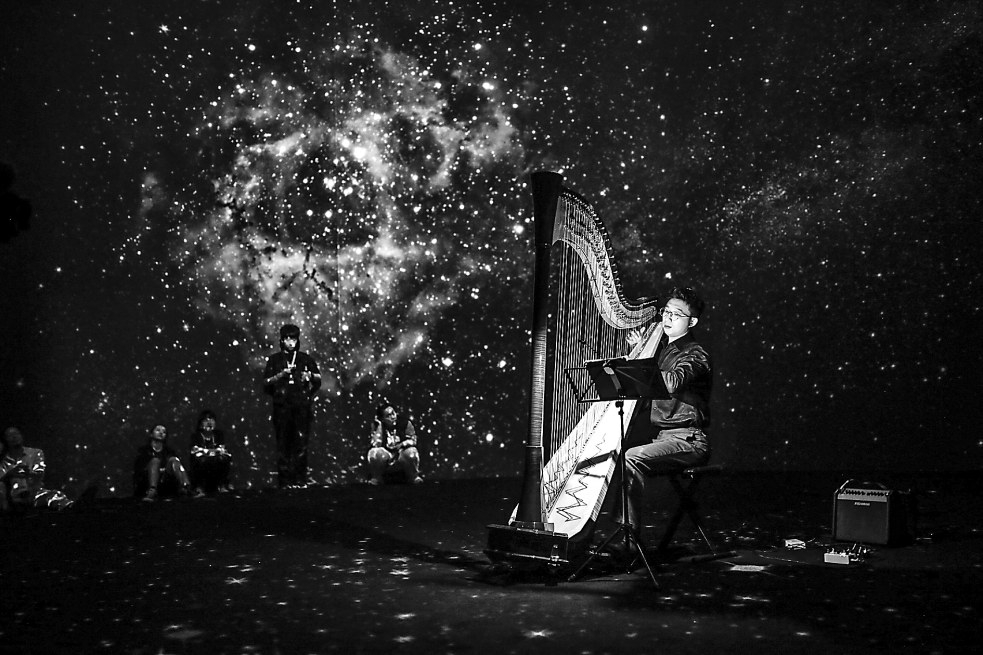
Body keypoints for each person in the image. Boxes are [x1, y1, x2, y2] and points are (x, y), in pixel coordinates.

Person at [607, 286, 712, 538]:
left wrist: (644, 362)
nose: (668, 318)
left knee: (632, 457)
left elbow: (673, 382)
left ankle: (627, 539)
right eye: (666, 312)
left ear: (692, 322)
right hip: (663, 438)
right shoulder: (662, 350)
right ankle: (614, 532)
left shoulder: (696, 354)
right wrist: (639, 353)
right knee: (614, 455)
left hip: (689, 440)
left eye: (676, 314)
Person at [262, 323, 321, 488]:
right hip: (282, 408)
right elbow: (266, 383)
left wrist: (309, 379)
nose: (290, 342)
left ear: (297, 340)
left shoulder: (305, 358)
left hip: (301, 407)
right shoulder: (274, 360)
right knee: (283, 444)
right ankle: (285, 481)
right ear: (281, 340)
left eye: (293, 339)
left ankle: (300, 479)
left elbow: (318, 379)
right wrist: (280, 376)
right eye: (287, 339)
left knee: (301, 444)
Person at [0, 426, 74, 511]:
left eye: (16, 433)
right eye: (10, 435)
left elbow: (39, 473)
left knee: (56, 497)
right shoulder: (3, 461)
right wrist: (10, 474)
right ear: (5, 440)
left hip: (35, 493)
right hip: (13, 499)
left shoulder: (35, 453)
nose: (14, 437)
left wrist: (26, 473)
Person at [133, 424, 200, 502]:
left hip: (165, 481)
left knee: (174, 460)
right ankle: (152, 491)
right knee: (155, 461)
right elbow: (139, 470)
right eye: (158, 430)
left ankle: (186, 487)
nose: (161, 433)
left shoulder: (169, 451)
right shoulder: (144, 450)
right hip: (147, 481)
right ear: (151, 434)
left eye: (164, 432)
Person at [366, 402, 423, 485]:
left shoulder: (406, 424)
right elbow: (376, 444)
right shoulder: (376, 426)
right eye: (388, 416)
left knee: (412, 452)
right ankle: (377, 478)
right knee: (373, 453)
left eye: (393, 413)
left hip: (401, 455)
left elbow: (413, 440)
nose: (393, 417)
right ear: (382, 419)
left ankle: (413, 476)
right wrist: (380, 426)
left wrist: (402, 444)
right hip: (386, 457)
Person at [189, 410, 233, 494]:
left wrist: (207, 451)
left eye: (211, 419)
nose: (209, 422)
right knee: (201, 460)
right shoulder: (196, 436)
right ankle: (199, 488)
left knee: (224, 458)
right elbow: (195, 451)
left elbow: (222, 449)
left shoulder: (219, 434)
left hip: (215, 460)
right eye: (206, 420)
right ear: (200, 424)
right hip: (202, 461)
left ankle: (222, 486)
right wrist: (213, 452)